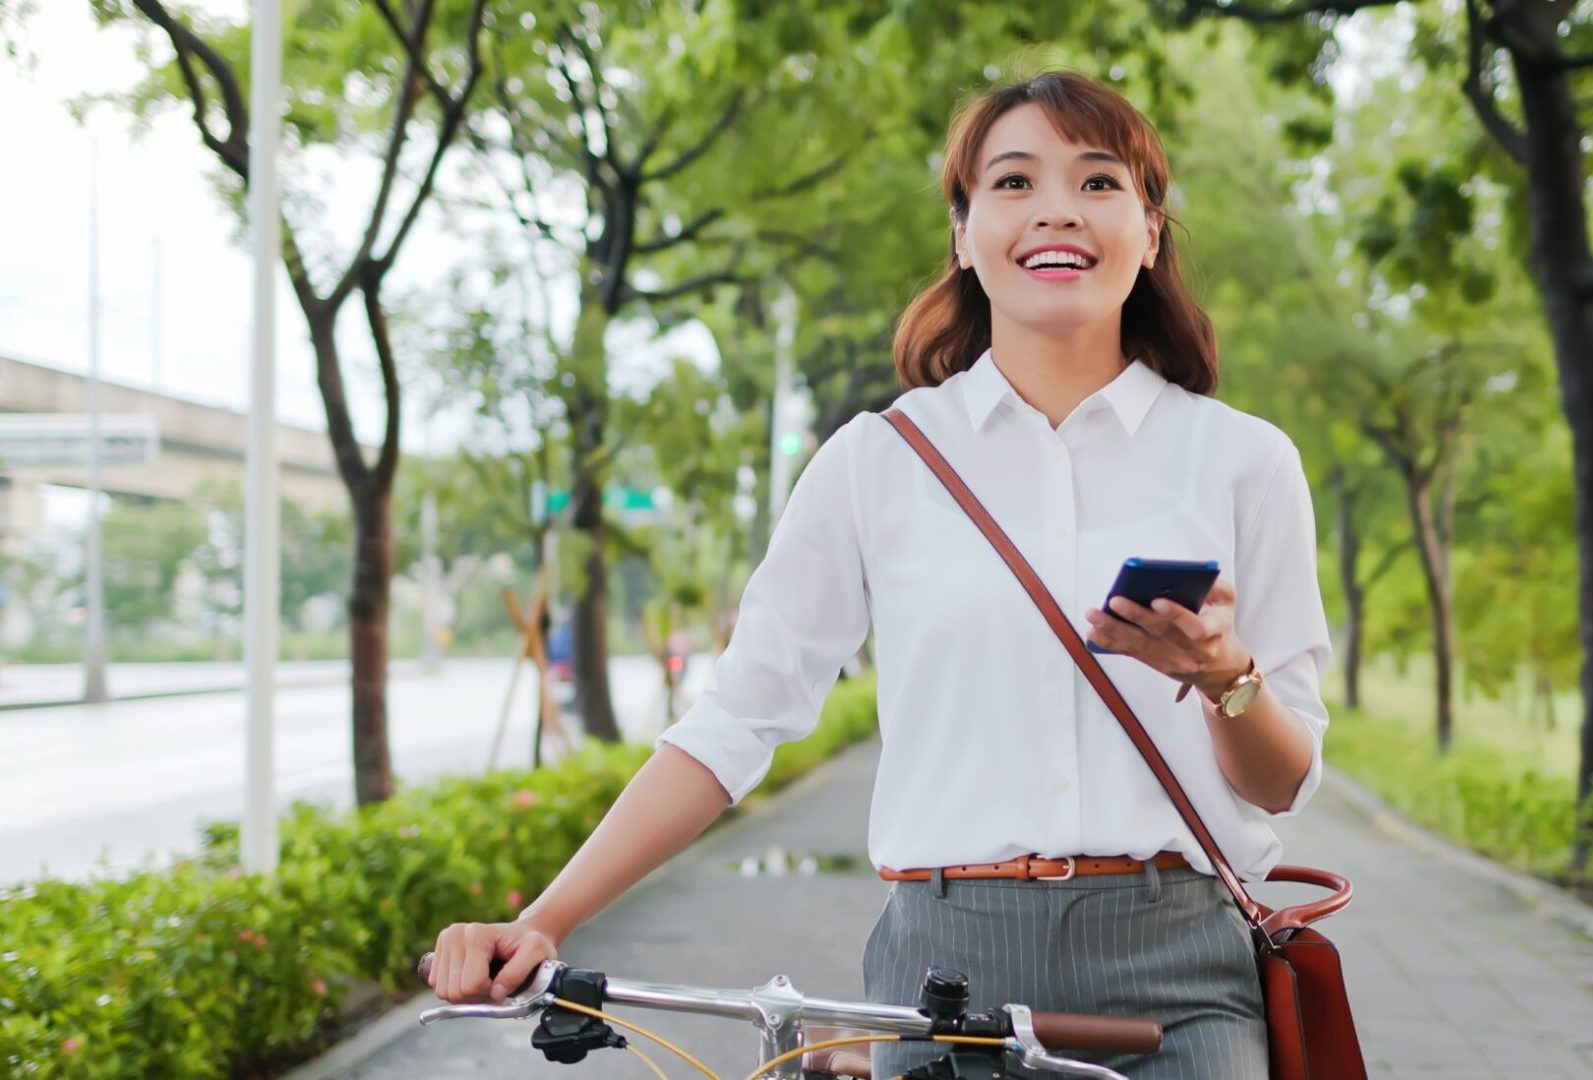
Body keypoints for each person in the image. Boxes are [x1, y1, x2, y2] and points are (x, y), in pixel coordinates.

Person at [427, 69, 1332, 1078]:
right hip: (944, 972)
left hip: (1180, 973)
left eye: (1098, 182)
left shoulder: (1244, 461)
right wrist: (544, 919)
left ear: (1150, 231)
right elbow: (736, 720)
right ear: (963, 233)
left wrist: (1223, 676)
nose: (1057, 211)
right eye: (1015, 181)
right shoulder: (879, 461)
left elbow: (1283, 781)